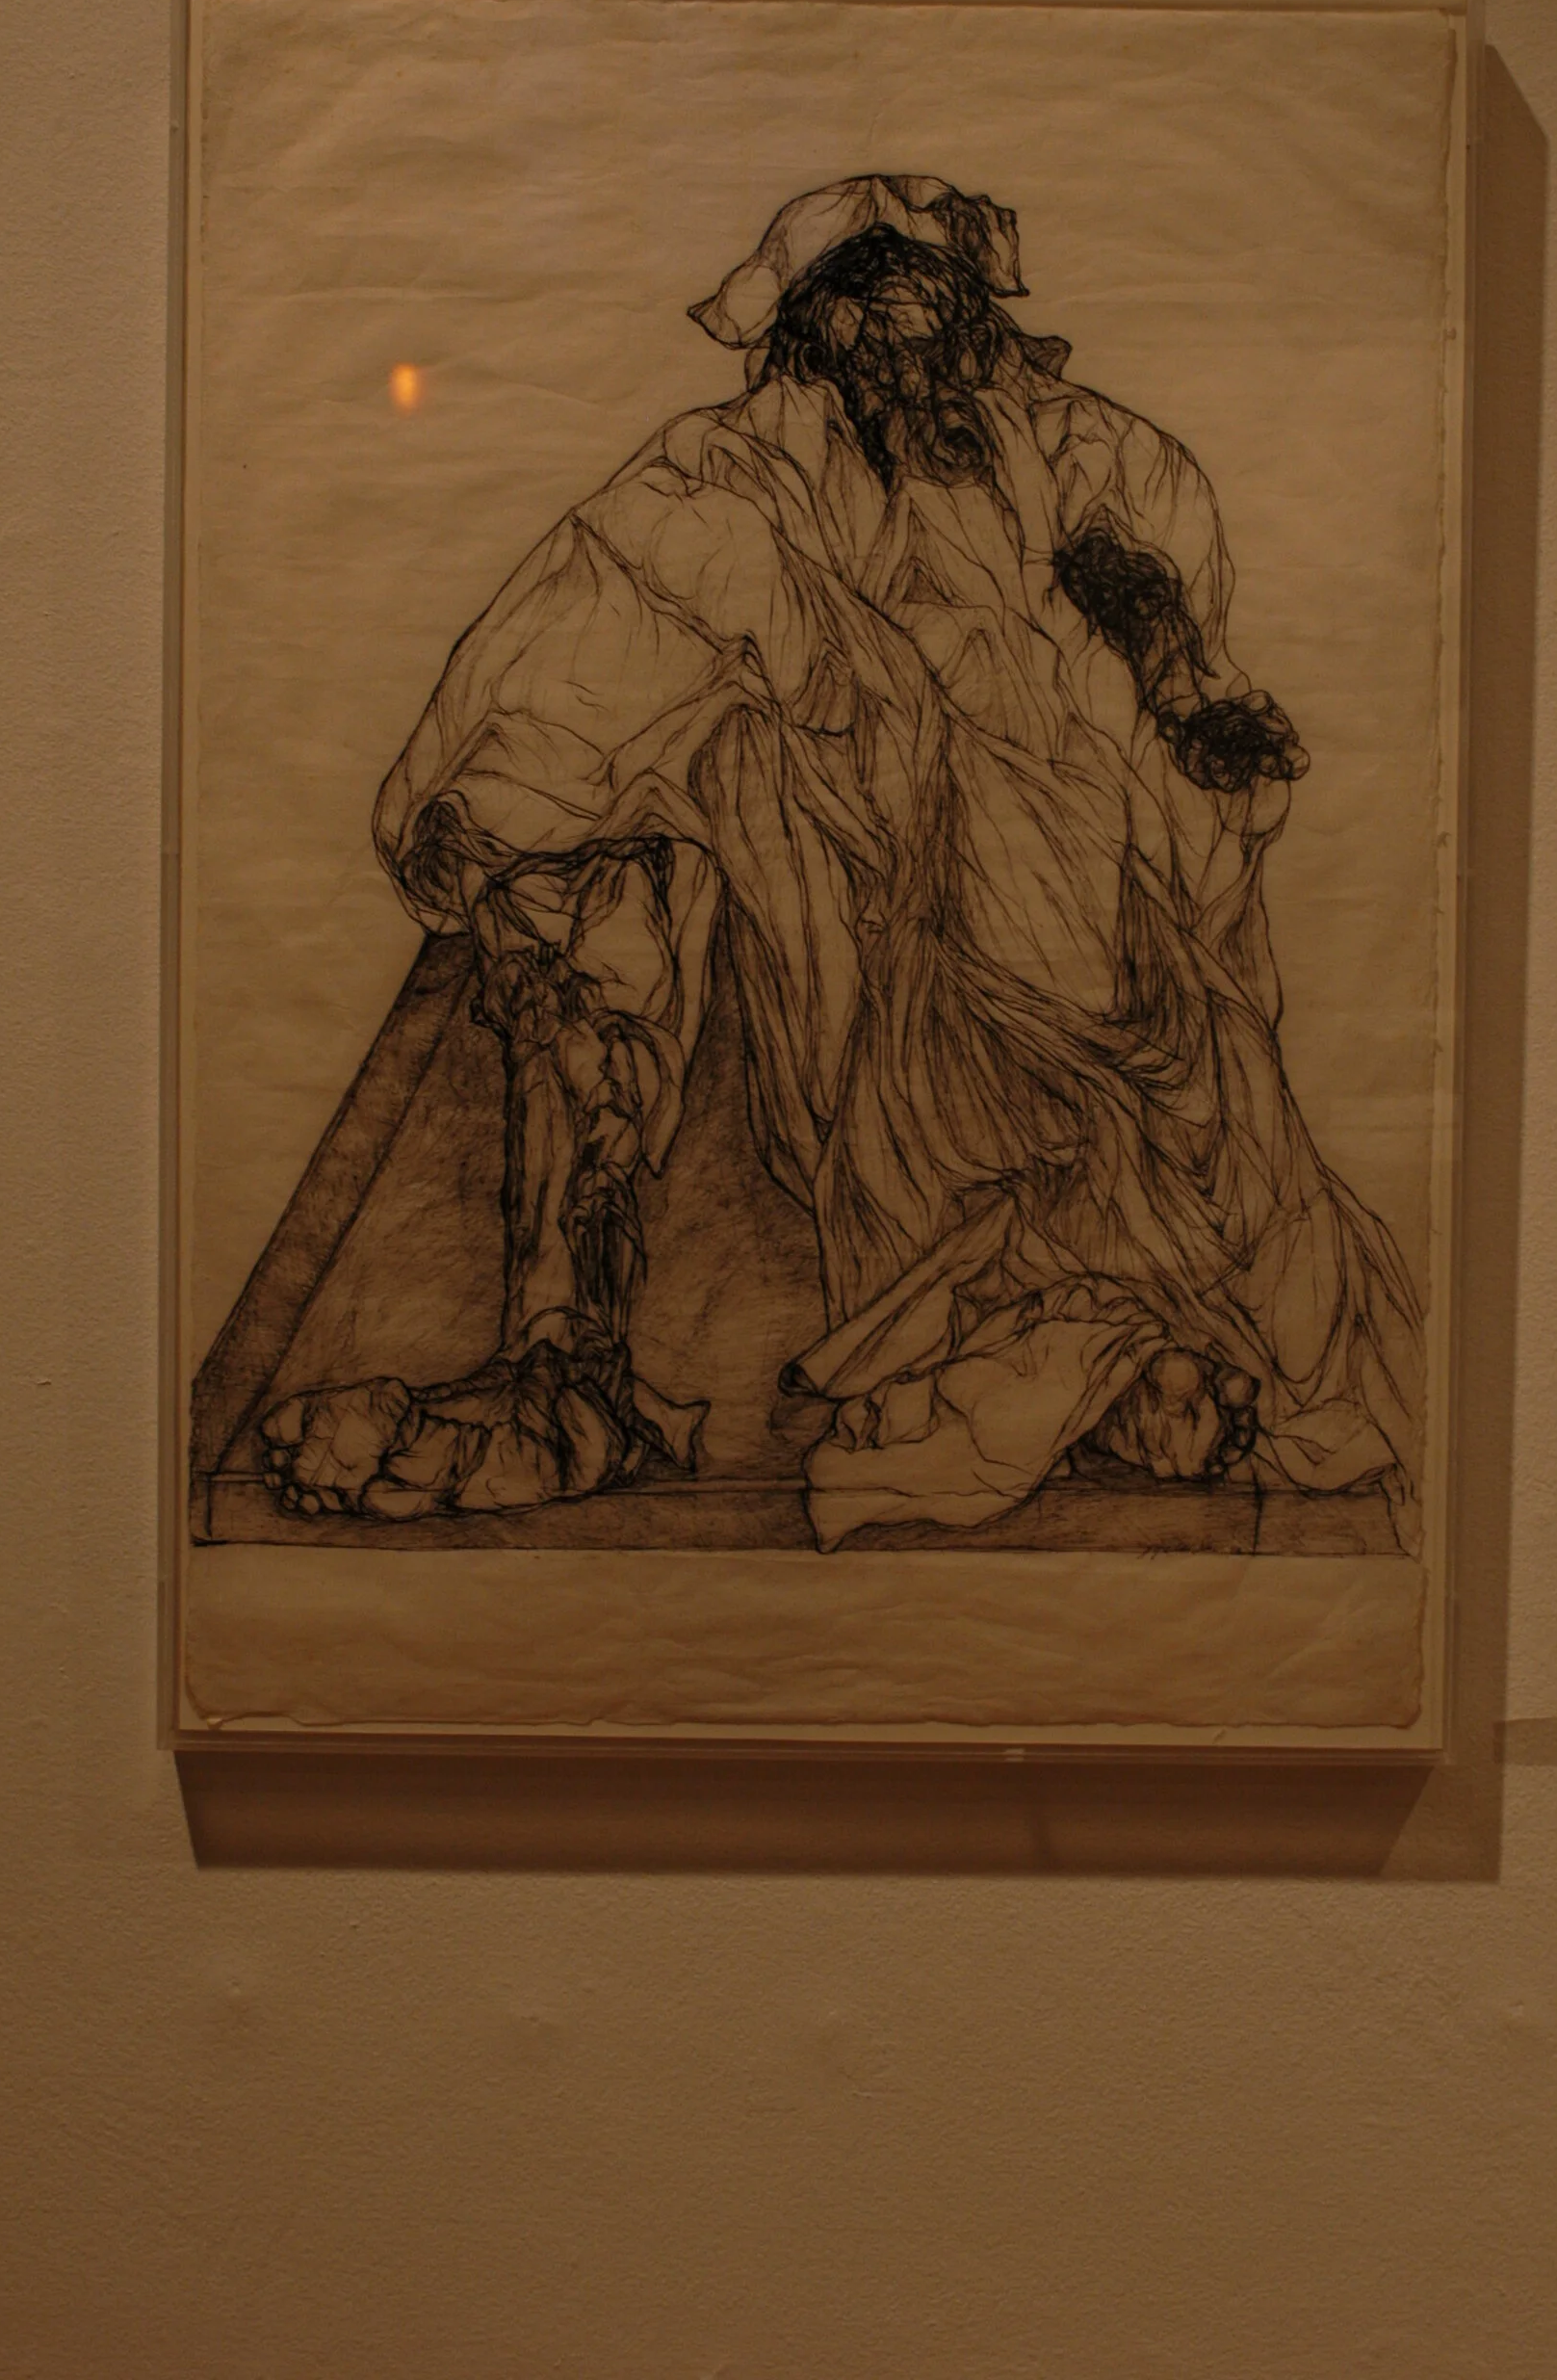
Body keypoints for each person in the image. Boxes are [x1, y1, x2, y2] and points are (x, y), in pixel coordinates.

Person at [262, 173, 1420, 1547]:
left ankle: (1106, 1324)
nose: (891, 344)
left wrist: (1175, 690)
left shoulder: (1101, 452)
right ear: (808, 338)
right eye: (856, 314)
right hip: (841, 861)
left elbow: (1168, 633)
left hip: (1083, 873)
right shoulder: (733, 469)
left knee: (1133, 1041)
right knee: (592, 879)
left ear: (977, 316)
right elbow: (608, 609)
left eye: (917, 306)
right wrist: (497, 793)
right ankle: (570, 1356)